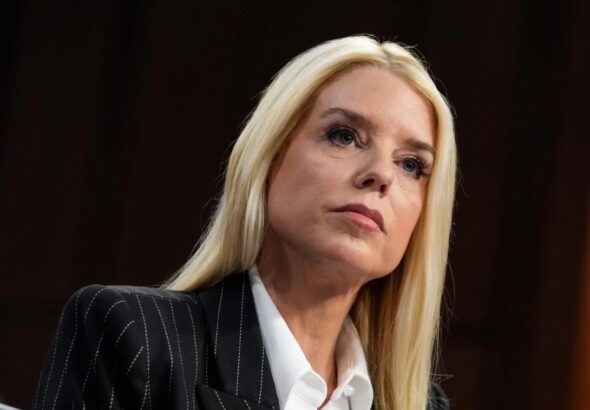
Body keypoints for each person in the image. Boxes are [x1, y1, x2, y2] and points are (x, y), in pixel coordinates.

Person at [34, 35, 456, 410]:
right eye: (344, 135)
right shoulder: (135, 337)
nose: (381, 174)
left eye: (411, 165)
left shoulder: (425, 405)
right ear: (269, 156)